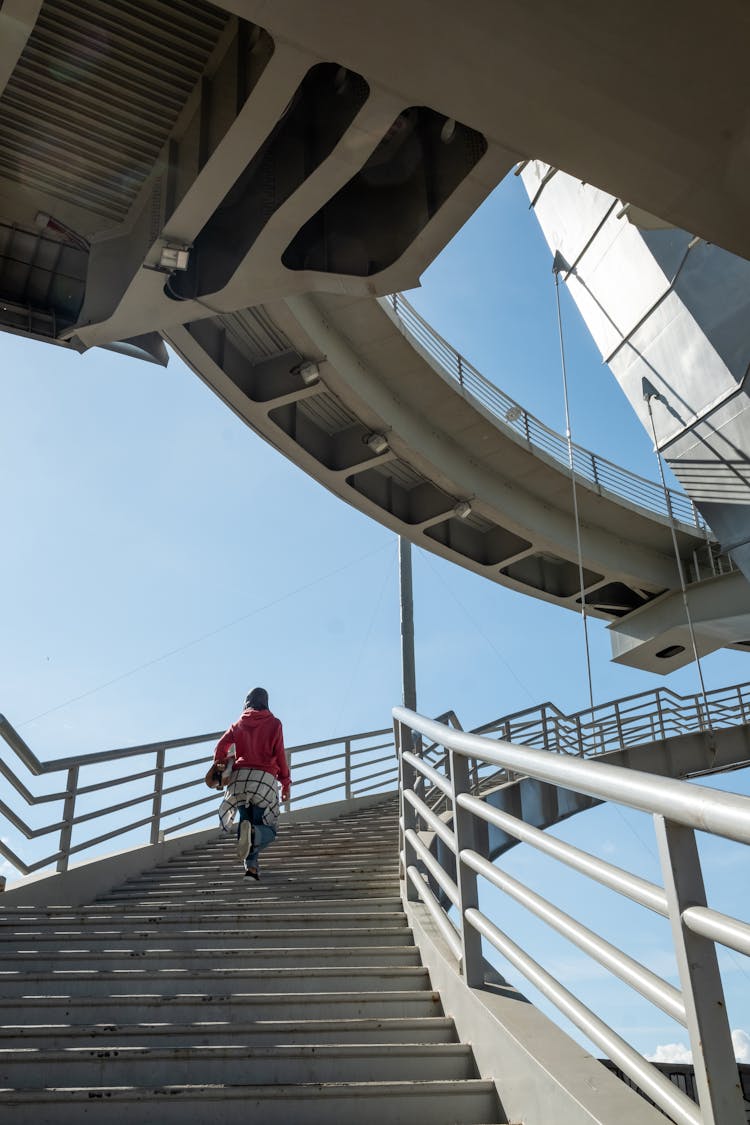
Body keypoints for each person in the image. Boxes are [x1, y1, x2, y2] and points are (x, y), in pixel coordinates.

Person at [212, 687, 291, 879]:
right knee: (268, 828)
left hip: (240, 780)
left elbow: (220, 746)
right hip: (263, 780)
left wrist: (220, 766)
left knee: (245, 822)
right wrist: (286, 782)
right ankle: (255, 835)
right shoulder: (274, 723)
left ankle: (251, 869)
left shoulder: (239, 723)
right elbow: (280, 754)